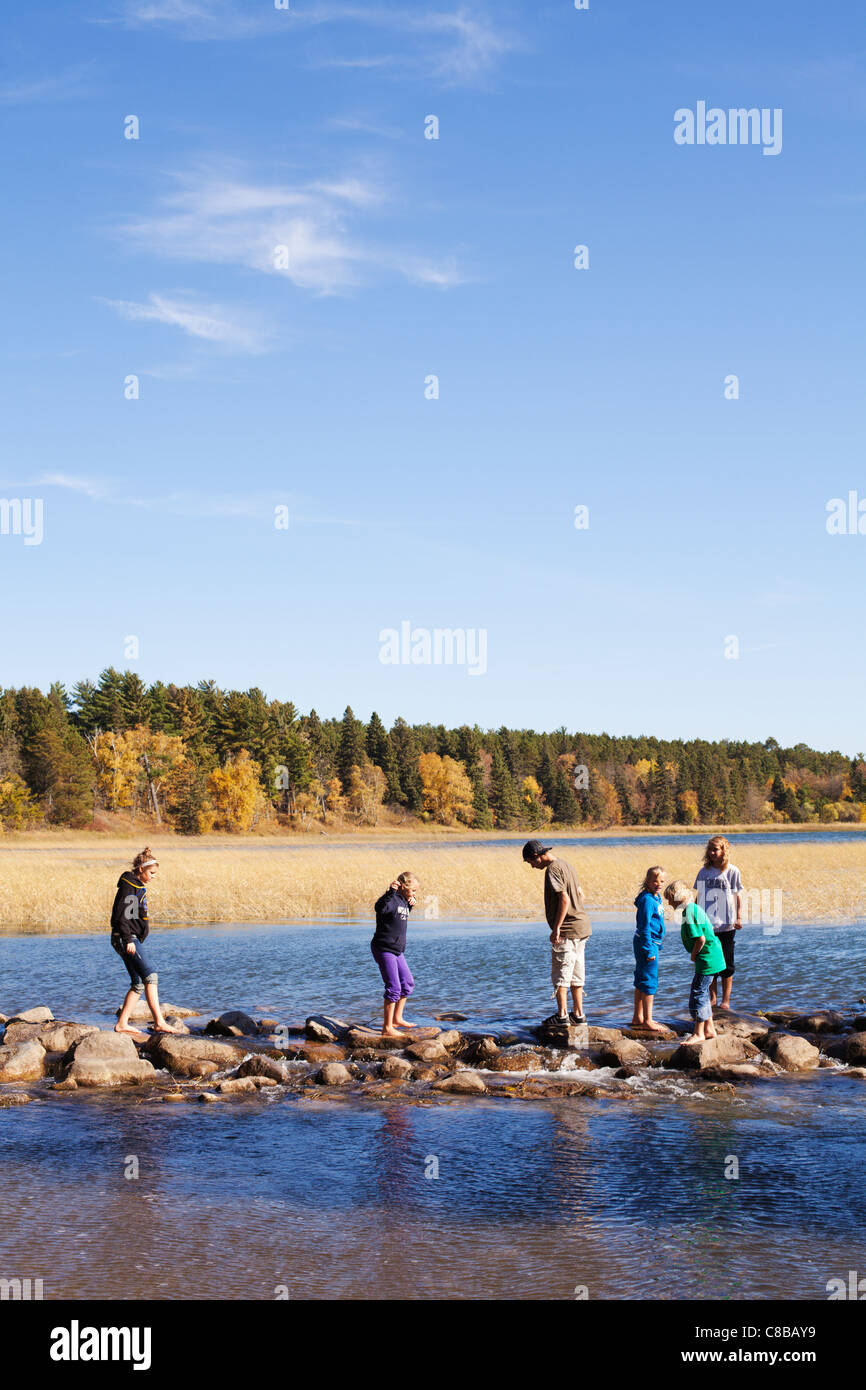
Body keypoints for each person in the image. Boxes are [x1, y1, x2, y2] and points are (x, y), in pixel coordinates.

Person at [111, 849, 181, 1037]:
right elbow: (120, 916)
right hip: (125, 938)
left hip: (130, 937)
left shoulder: (135, 885)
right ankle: (159, 1022)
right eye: (151, 873)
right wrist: (128, 939)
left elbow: (132, 914)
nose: (153, 877)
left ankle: (122, 1024)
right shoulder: (128, 886)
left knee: (138, 984)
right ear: (141, 869)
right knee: (151, 977)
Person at [522, 839, 592, 1025]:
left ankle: (561, 1016)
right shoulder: (566, 865)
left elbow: (564, 899)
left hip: (568, 930)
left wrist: (557, 928)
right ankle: (578, 1014)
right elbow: (580, 894)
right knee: (577, 974)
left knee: (561, 975)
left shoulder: (552, 869)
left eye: (530, 862)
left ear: (537, 856)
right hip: (582, 926)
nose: (531, 866)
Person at [664, 879, 725, 1042]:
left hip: (707, 958)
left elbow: (700, 939)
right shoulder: (693, 909)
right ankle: (710, 1029)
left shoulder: (690, 911)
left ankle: (698, 1033)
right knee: (703, 992)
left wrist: (693, 955)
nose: (668, 903)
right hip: (712, 957)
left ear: (679, 898)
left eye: (670, 899)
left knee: (698, 993)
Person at [694, 836, 745, 1010]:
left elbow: (738, 896)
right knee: (710, 962)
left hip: (727, 925)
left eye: (716, 849)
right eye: (710, 849)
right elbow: (699, 896)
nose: (712, 852)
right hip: (708, 924)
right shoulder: (704, 871)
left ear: (724, 851)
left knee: (727, 964)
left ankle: (726, 1001)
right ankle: (713, 999)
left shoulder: (732, 871)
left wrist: (738, 917)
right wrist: (694, 917)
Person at [371, 872, 420, 1038]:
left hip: (397, 951)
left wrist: (410, 905)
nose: (414, 894)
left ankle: (397, 1019)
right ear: (404, 887)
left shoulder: (404, 902)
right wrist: (390, 892)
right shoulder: (391, 899)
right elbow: (380, 909)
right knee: (394, 987)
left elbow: (397, 919)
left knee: (407, 983)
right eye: (413, 890)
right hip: (384, 948)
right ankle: (387, 1028)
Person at [632, 866, 666, 1031]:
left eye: (661, 881)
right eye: (655, 881)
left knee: (641, 979)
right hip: (647, 943)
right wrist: (649, 949)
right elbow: (644, 926)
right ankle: (648, 1020)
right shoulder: (647, 900)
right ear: (647, 881)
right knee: (649, 981)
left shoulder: (655, 897)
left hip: (650, 942)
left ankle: (637, 1017)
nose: (658, 884)